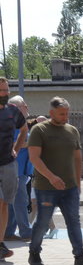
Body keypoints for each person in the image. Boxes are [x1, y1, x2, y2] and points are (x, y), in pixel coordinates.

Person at [26, 97, 83, 265]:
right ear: (51, 113)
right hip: (46, 187)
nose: (65, 117)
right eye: (61, 114)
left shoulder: (72, 131)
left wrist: (78, 182)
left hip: (70, 187)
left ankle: (80, 256)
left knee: (74, 221)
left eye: (67, 113)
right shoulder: (39, 130)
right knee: (42, 222)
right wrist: (51, 177)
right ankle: (34, 253)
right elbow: (34, 158)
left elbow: (77, 158)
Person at [0, 77, 28, 260]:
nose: (5, 93)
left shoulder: (13, 111)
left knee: (4, 204)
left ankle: (0, 242)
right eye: (1, 90)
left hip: (9, 163)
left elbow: (24, 130)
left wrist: (16, 149)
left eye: (6, 89)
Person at [5, 95, 32, 241]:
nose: (27, 107)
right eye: (23, 105)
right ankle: (26, 232)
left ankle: (8, 232)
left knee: (14, 203)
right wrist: (30, 143)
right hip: (16, 170)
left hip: (21, 170)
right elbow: (11, 143)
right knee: (21, 201)